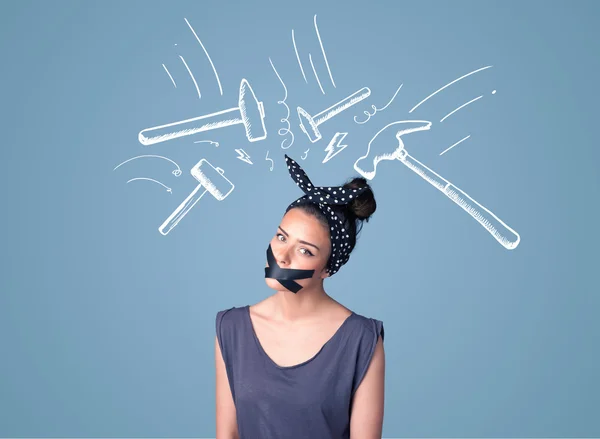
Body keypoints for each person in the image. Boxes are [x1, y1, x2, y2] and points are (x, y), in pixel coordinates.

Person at [215, 155, 385, 439]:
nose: (281, 256)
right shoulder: (231, 328)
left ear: (327, 269)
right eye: (282, 237)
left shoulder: (361, 339)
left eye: (305, 251)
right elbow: (227, 433)